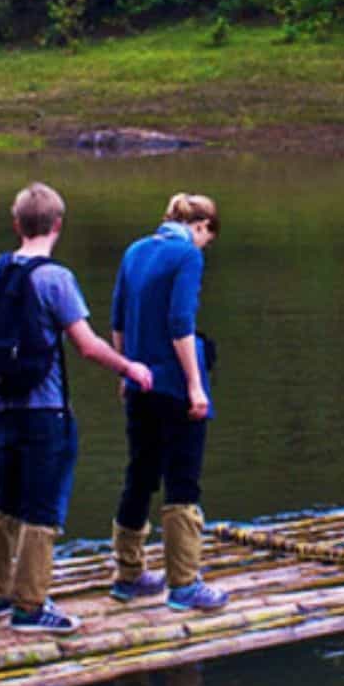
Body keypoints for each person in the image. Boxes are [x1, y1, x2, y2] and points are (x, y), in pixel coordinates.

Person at [0, 183, 153, 635]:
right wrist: (129, 367)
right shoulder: (55, 278)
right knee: (43, 507)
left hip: (1, 404)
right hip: (44, 409)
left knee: (5, 498)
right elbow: (87, 345)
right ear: (58, 225)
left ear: (16, 224)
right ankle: (30, 606)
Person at [107, 193, 229, 612]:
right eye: (207, 239)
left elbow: (118, 320)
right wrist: (195, 385)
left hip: (139, 382)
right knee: (182, 480)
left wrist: (125, 370)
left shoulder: (135, 250)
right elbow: (180, 323)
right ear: (201, 226)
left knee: (139, 475)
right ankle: (184, 584)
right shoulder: (187, 255)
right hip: (174, 385)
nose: (204, 248)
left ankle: (128, 574)